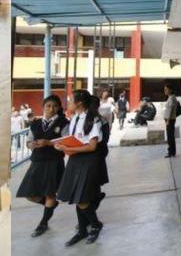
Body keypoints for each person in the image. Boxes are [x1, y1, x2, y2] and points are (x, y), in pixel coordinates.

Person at [54, 90, 107, 246]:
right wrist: (63, 145)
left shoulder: (93, 120)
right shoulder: (75, 118)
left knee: (81, 199)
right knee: (76, 197)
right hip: (75, 160)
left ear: (79, 103)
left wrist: (69, 150)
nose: (68, 103)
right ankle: (82, 230)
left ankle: (95, 225)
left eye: (70, 100)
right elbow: (75, 139)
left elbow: (91, 146)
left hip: (88, 161)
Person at [16, 95, 70, 237]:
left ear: (59, 108)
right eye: (48, 106)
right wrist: (31, 145)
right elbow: (28, 142)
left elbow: (66, 143)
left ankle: (43, 223)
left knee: (50, 194)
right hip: (37, 162)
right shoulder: (35, 123)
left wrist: (49, 143)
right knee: (29, 194)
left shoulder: (64, 123)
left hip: (54, 162)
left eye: (55, 106)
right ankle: (50, 205)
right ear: (43, 107)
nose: (51, 109)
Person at [163, 83, 178, 158]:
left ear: (170, 90)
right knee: (171, 136)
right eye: (164, 89)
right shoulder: (170, 97)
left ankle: (171, 152)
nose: (165, 91)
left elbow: (170, 110)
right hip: (170, 119)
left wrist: (168, 121)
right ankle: (172, 151)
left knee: (170, 137)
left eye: (166, 89)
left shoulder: (172, 98)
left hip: (170, 120)